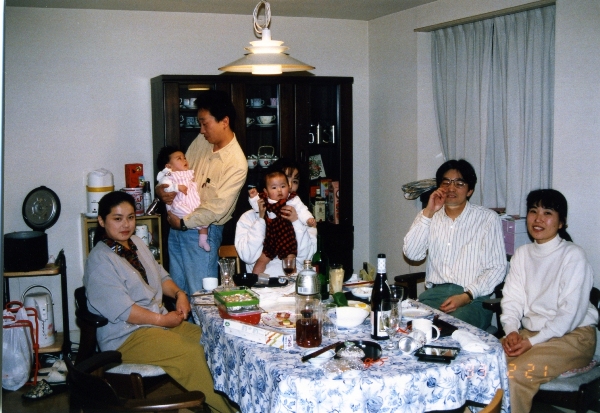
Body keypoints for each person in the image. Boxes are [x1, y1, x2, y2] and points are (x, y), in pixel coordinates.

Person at [84, 191, 236, 413]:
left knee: (211, 340)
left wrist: (180, 294)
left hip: (155, 325)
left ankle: (221, 404)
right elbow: (126, 311)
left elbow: (162, 277)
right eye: (117, 218)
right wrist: (163, 320)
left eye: (130, 217)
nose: (126, 224)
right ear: (101, 221)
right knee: (191, 353)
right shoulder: (100, 261)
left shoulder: (135, 243)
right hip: (126, 337)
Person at [500, 189, 598, 413]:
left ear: (561, 222)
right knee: (484, 363)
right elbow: (512, 298)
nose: (538, 219)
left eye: (547, 213)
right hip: (532, 334)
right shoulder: (522, 254)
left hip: (573, 337)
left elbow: (569, 315)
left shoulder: (573, 255)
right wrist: (511, 330)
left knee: (515, 374)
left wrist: (532, 342)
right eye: (533, 211)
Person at [156, 90, 247, 296]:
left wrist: (183, 223)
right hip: (176, 225)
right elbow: (177, 172)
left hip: (201, 231)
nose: (201, 130)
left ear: (224, 121)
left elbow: (217, 208)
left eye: (205, 123)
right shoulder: (202, 141)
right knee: (178, 293)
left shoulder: (236, 162)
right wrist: (161, 189)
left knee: (200, 295)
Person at [403, 159, 506, 330]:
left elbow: (497, 268)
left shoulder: (487, 219)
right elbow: (412, 254)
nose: (451, 188)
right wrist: (428, 212)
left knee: (446, 329)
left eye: (459, 183)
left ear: (470, 190)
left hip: (473, 299)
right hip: (434, 296)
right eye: (446, 182)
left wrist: (467, 295)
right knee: (405, 324)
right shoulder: (428, 216)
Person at [235, 158, 317, 277]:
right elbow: (248, 256)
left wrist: (296, 222)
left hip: (293, 283)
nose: (290, 186)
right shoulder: (249, 217)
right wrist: (261, 220)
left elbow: (306, 258)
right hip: (262, 284)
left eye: (295, 181)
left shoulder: (305, 217)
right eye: (286, 179)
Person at [156, 146, 210, 251]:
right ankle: (199, 225)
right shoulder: (169, 176)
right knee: (191, 216)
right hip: (178, 203)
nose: (184, 160)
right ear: (168, 166)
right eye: (179, 158)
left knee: (200, 215)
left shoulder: (188, 173)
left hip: (191, 201)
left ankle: (203, 240)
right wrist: (177, 187)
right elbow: (166, 188)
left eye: (184, 158)